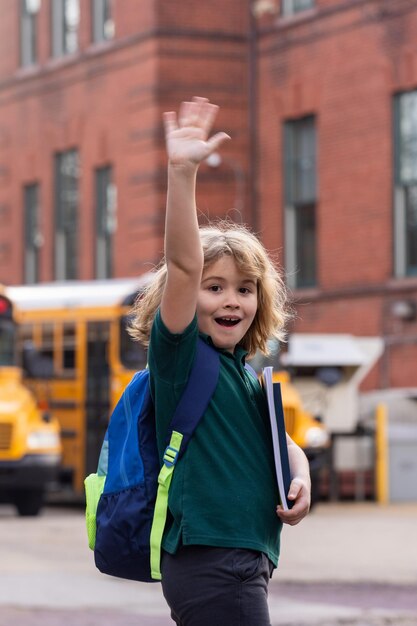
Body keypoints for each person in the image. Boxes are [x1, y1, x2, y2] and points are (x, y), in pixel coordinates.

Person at [129, 96, 311, 626]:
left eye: (245, 288)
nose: (232, 300)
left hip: (244, 556)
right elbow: (184, 264)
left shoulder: (245, 374)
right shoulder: (182, 357)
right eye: (215, 288)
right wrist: (183, 172)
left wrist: (300, 479)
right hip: (212, 558)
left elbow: (282, 444)